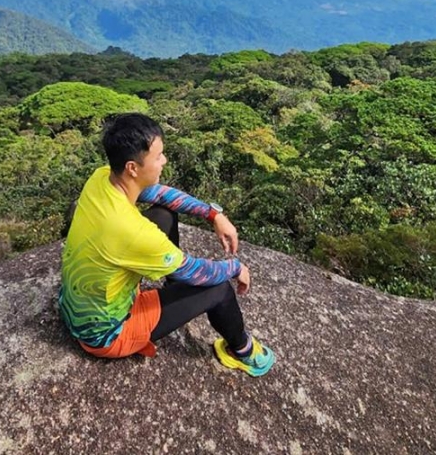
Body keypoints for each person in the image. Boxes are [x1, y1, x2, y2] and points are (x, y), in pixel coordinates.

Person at [58, 112, 275, 376]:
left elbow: (161, 195)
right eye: (158, 156)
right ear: (132, 168)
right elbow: (195, 271)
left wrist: (213, 214)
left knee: (164, 213)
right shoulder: (134, 232)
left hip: (79, 306)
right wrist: (235, 267)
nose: (164, 160)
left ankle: (175, 290)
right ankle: (242, 351)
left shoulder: (102, 178)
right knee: (218, 289)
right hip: (105, 332)